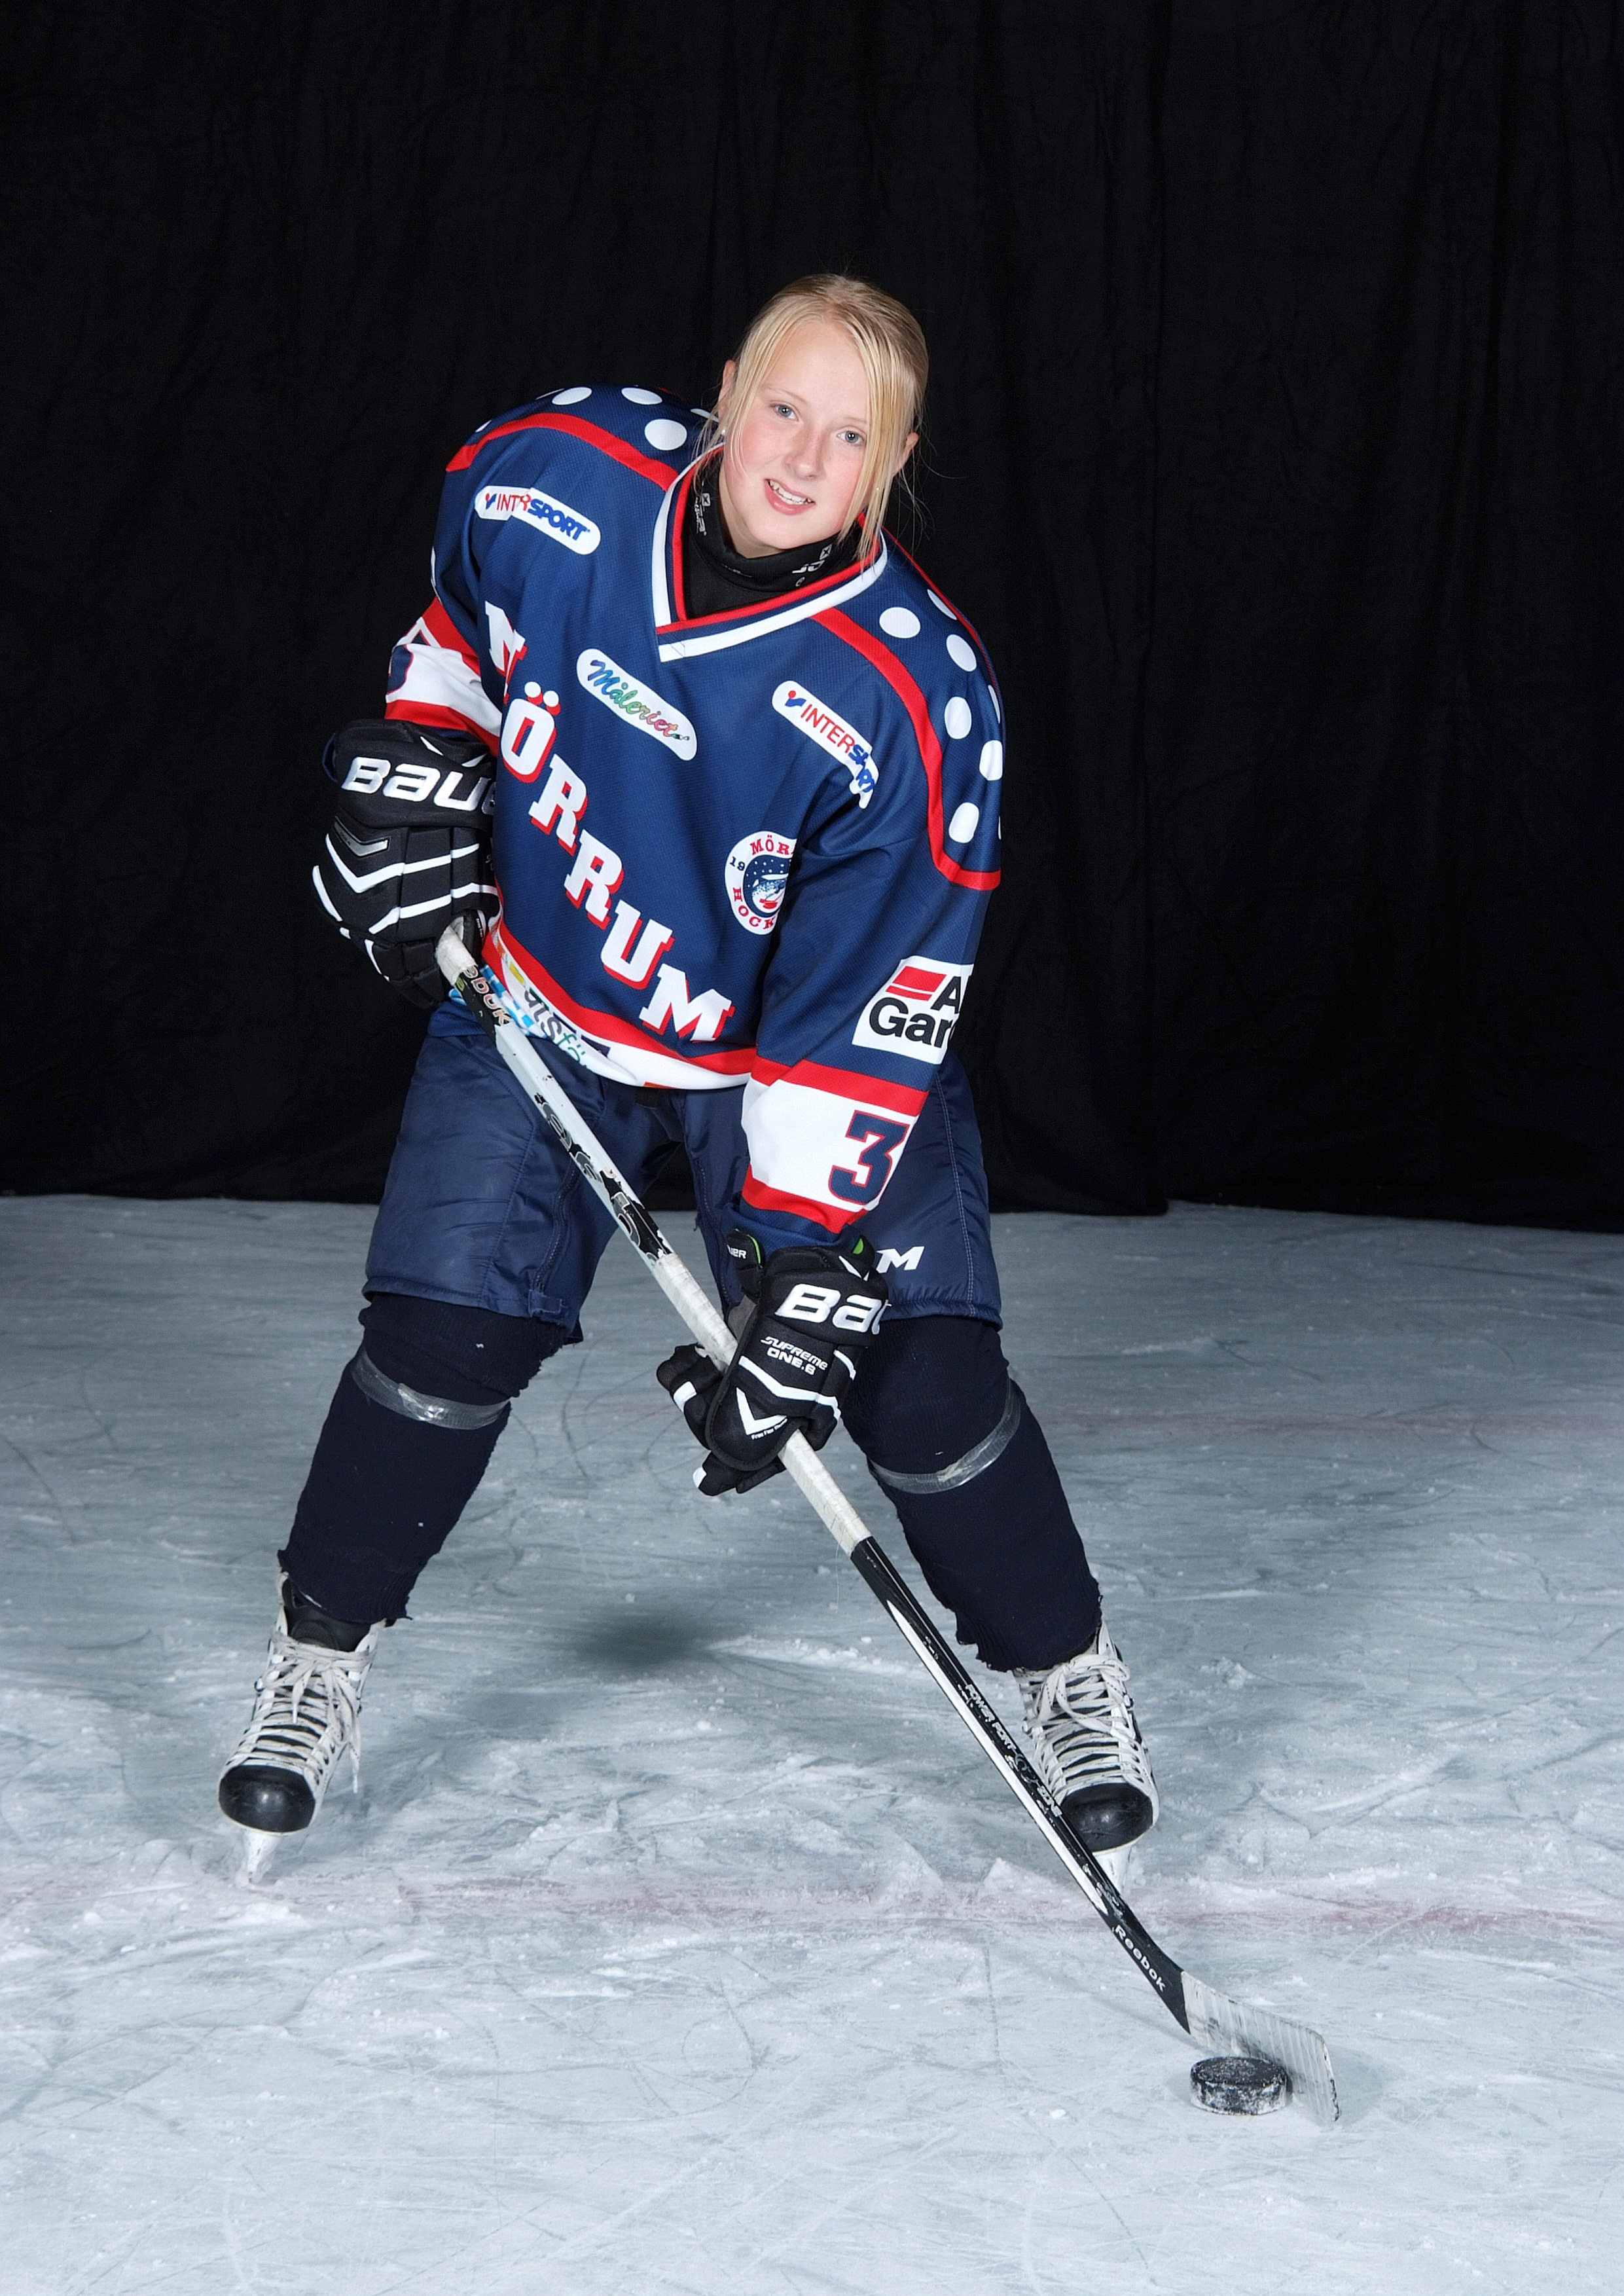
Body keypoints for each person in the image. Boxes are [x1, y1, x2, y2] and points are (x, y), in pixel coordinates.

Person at [219, 275, 1159, 1870]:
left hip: (778, 1060)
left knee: (914, 1378)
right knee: (441, 1337)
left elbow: (861, 1011)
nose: (799, 457)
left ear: (895, 459)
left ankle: (1065, 1667)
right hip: (545, 999)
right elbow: (459, 639)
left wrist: (801, 1266)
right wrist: (423, 766)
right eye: (781, 407)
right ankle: (317, 1654)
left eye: (848, 436)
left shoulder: (917, 699)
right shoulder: (552, 471)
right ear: (724, 390)